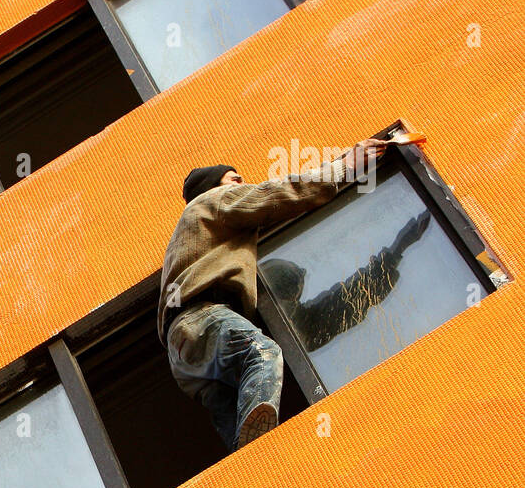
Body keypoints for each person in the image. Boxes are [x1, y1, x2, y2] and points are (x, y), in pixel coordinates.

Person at [158, 139, 389, 451]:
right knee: (262, 353)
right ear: (216, 186)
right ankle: (261, 448)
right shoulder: (212, 201)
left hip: (183, 354)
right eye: (234, 178)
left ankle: (253, 462)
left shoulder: (187, 238)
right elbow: (279, 194)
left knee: (237, 426)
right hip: (204, 317)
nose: (242, 182)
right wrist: (345, 167)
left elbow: (326, 314)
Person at [260, 211, 431, 351]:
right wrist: (398, 249)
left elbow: (353, 297)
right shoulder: (301, 329)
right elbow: (354, 298)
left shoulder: (300, 328)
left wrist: (398, 249)